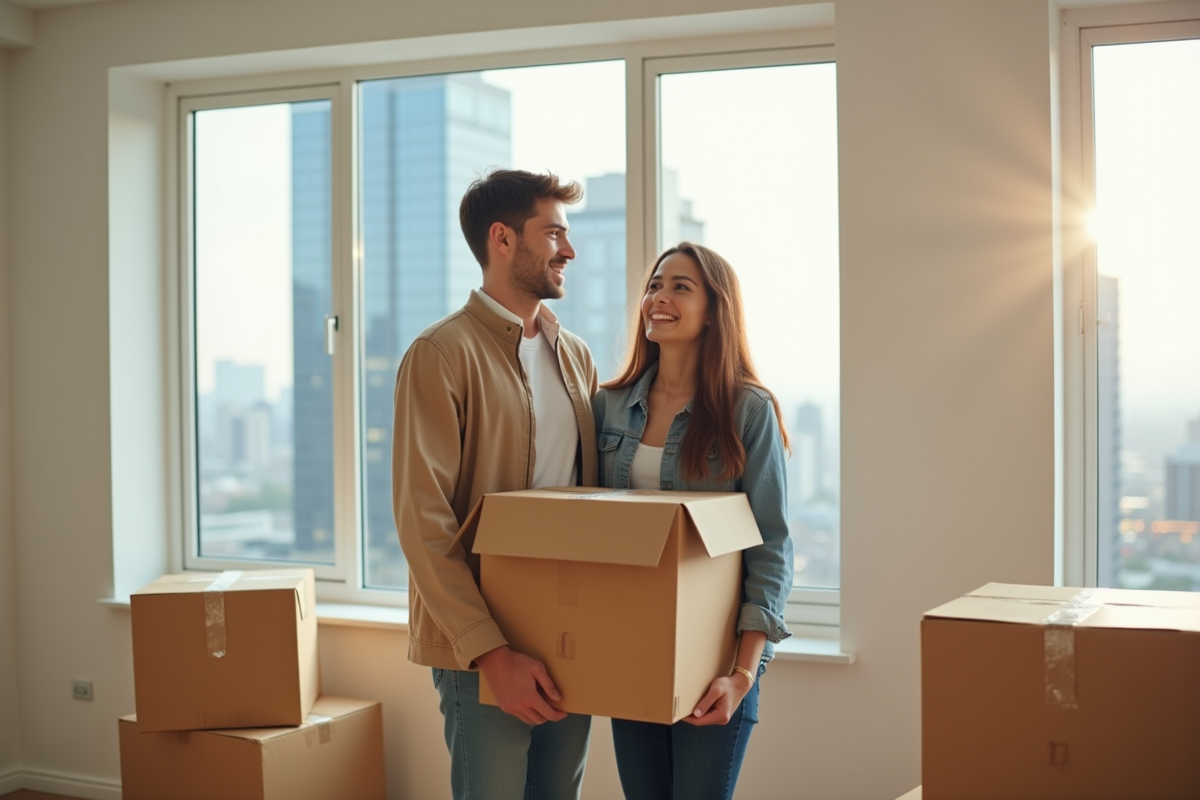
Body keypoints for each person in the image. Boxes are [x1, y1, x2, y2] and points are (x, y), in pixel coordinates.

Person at [392, 169, 598, 800]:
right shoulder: (441, 353)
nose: (568, 250)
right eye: (554, 233)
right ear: (503, 239)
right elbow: (423, 521)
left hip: (571, 630)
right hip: (481, 642)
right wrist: (491, 655)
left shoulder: (577, 357)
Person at [591, 242, 793, 800]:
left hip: (717, 665)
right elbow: (585, 528)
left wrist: (744, 675)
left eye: (681, 287)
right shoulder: (606, 407)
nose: (660, 297)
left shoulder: (747, 410)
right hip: (631, 652)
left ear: (715, 309)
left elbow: (771, 546)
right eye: (656, 285)